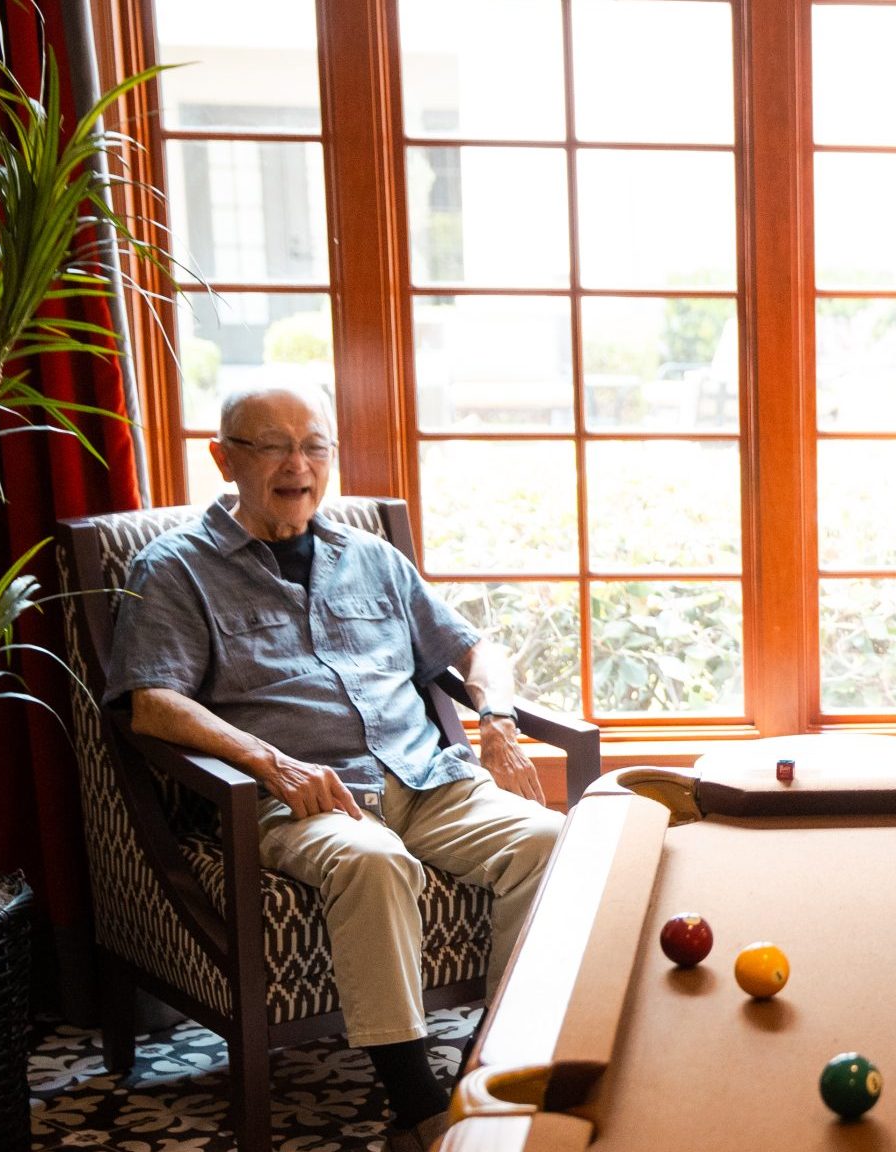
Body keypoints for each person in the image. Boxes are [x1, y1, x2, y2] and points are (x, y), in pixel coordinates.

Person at [106, 385, 560, 1152]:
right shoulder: (175, 569)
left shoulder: (373, 558)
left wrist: (499, 719)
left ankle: (491, 1063)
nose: (298, 465)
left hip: (427, 778)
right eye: (273, 446)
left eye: (315, 446)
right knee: (375, 863)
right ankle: (416, 1105)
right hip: (303, 799)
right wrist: (270, 761)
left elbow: (475, 650)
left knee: (552, 841)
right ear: (224, 458)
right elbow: (151, 704)